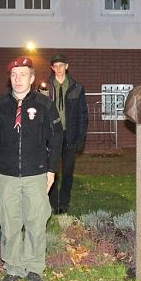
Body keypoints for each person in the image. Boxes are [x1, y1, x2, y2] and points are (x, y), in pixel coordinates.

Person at [0, 56, 63, 281]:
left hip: (36, 174)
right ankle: (13, 268)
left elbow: (56, 138)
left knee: (36, 222)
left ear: (32, 78)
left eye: (23, 74)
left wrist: (51, 169)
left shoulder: (45, 105)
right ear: (10, 78)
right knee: (9, 222)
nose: (18, 79)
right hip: (6, 175)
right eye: (14, 75)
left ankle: (35, 267)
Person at [47, 54, 88, 214]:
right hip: (51, 137)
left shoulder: (77, 87)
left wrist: (81, 138)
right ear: (52, 68)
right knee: (51, 171)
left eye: (61, 65)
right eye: (55, 66)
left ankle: (64, 202)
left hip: (70, 136)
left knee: (68, 171)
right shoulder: (45, 87)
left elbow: (83, 115)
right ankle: (53, 202)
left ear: (66, 66)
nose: (58, 69)